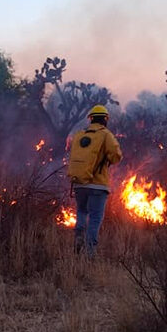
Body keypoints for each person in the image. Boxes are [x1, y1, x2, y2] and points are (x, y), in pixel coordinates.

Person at [67, 105, 123, 256]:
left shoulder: (79, 135)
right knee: (95, 218)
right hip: (98, 185)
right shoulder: (106, 135)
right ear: (105, 119)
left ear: (90, 119)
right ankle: (90, 253)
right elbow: (116, 156)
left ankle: (78, 240)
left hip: (79, 183)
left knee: (81, 211)